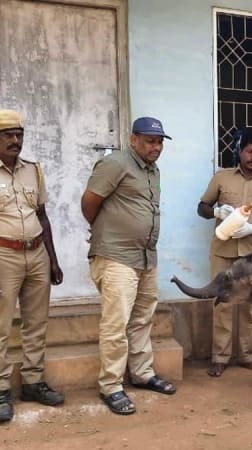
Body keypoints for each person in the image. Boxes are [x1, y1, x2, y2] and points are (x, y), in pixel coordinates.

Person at [0, 109, 65, 423]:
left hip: (36, 255)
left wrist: (53, 258)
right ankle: (0, 389)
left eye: (18, 134)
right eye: (7, 135)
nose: (15, 140)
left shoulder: (34, 170)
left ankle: (33, 382)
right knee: (0, 328)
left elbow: (42, 216)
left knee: (36, 324)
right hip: (1, 256)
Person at [81, 116, 178, 416]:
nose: (156, 146)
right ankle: (110, 385)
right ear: (133, 139)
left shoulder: (153, 170)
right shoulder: (116, 164)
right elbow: (89, 202)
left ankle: (142, 373)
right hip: (116, 256)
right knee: (116, 324)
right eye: (150, 140)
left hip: (146, 256)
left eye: (160, 141)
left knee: (142, 318)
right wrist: (107, 233)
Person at [197, 131, 252, 378]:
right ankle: (220, 357)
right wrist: (215, 212)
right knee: (222, 304)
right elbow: (201, 207)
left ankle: (246, 355)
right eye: (249, 151)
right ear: (239, 150)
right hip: (223, 252)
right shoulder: (222, 178)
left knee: (249, 306)